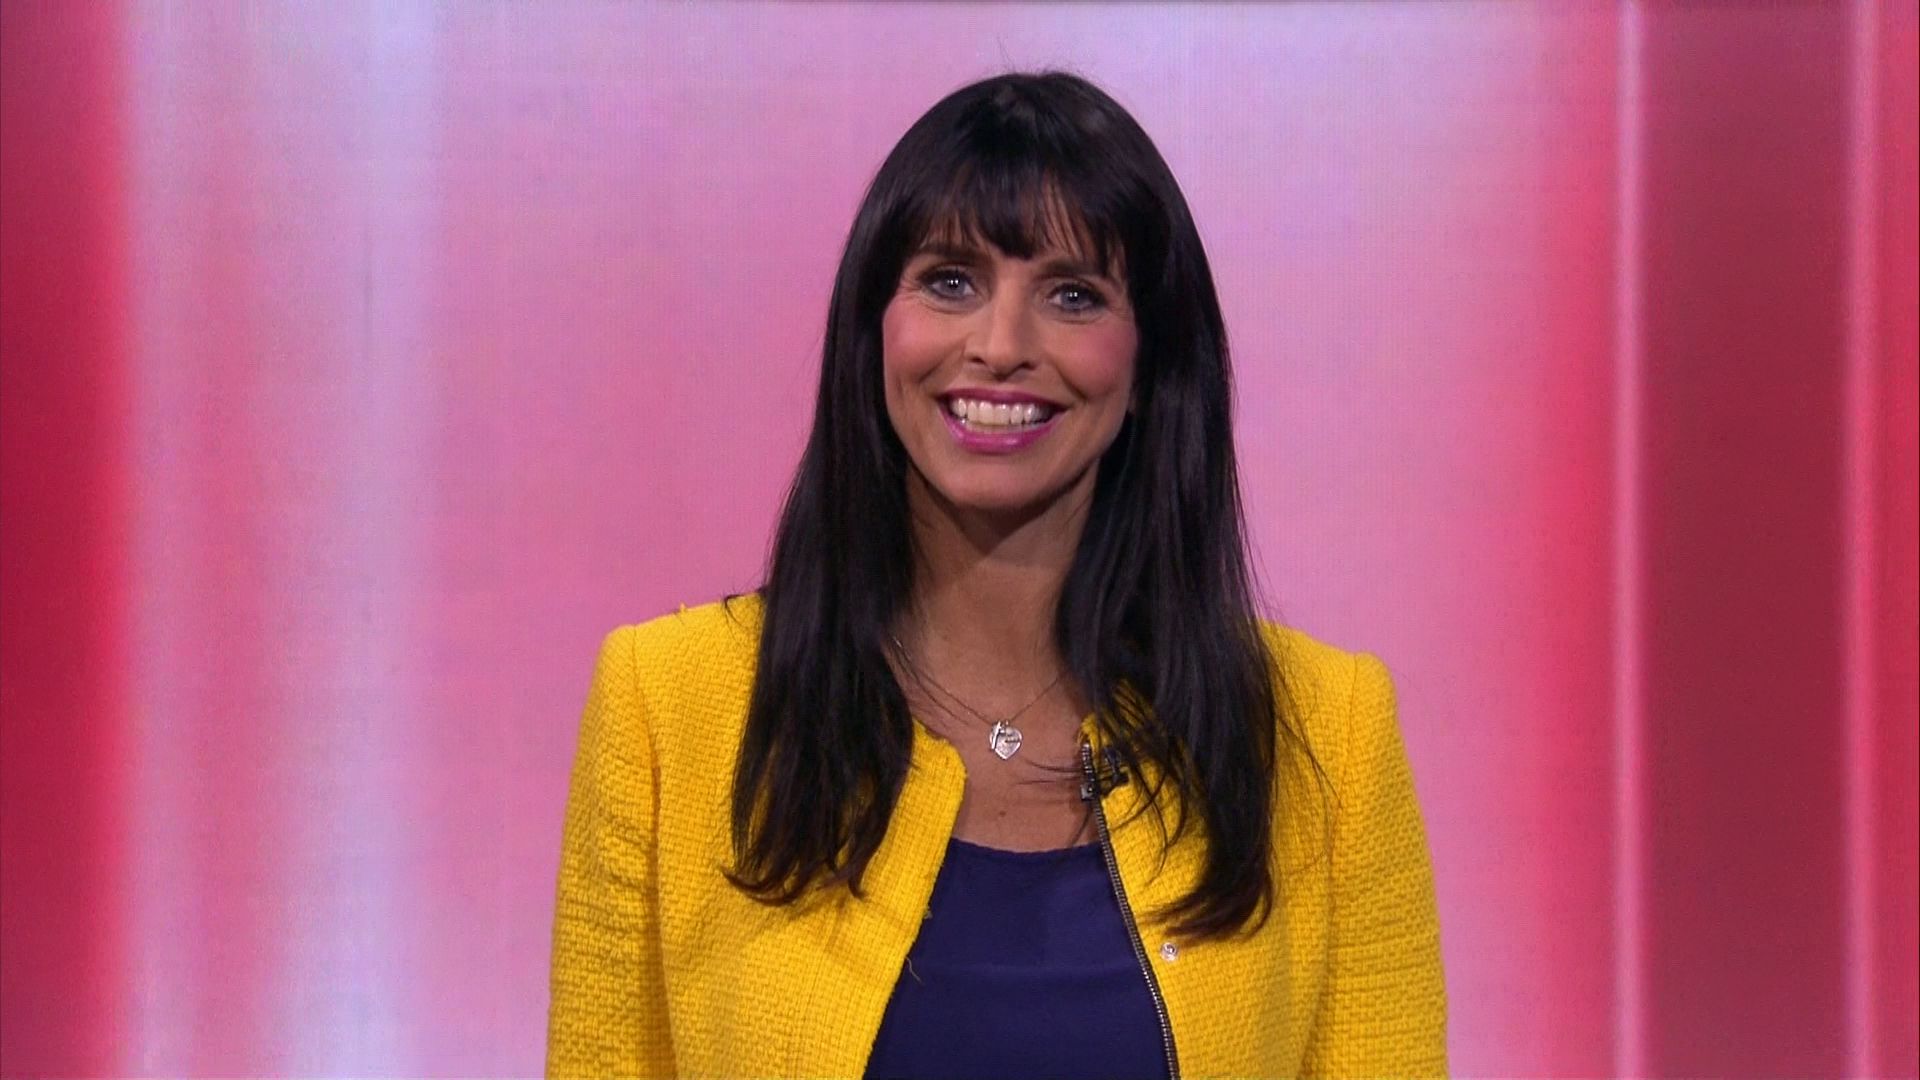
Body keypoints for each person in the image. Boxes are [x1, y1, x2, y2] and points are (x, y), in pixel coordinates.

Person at [546, 70, 1445, 1079]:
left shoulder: (1325, 737)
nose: (1001, 347)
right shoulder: (667, 706)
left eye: (1073, 295)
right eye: (950, 281)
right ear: (873, 331)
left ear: (1150, 366)